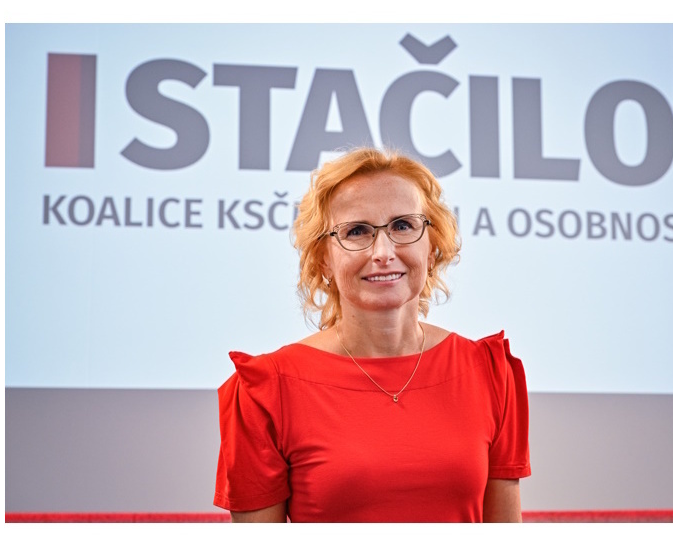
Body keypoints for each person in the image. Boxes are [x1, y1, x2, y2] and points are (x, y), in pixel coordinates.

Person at [214, 147, 530, 522]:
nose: (383, 252)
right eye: (357, 231)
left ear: (431, 247)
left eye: (403, 226)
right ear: (324, 259)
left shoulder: (490, 373)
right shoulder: (265, 390)